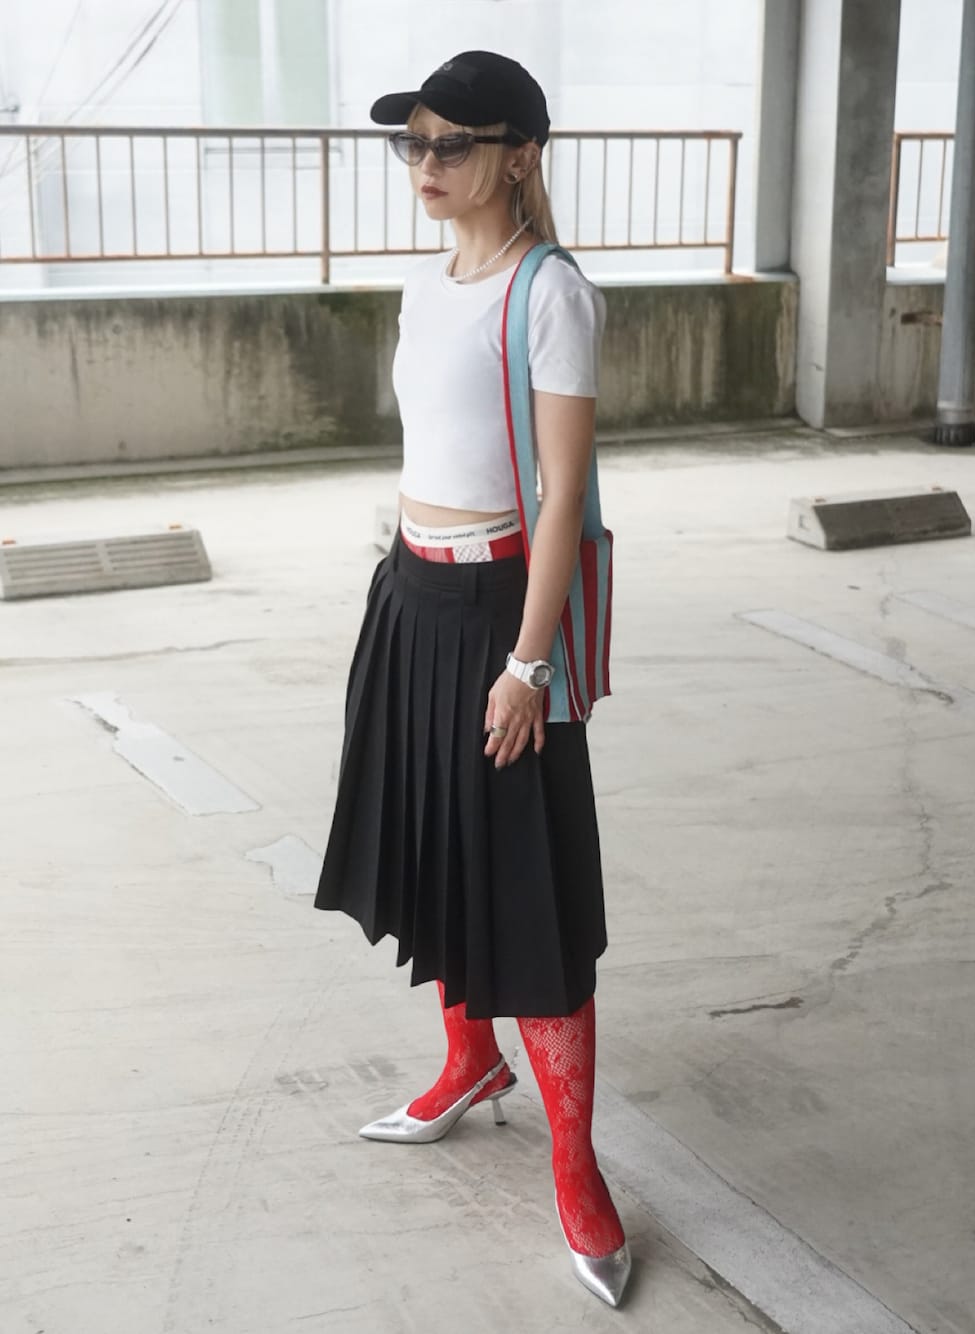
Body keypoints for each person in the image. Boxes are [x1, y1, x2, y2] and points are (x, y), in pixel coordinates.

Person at [314, 50, 631, 1308]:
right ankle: (469, 1061)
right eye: (414, 142)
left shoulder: (552, 294)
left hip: (503, 610)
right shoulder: (422, 282)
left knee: (528, 881)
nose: (426, 164)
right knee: (431, 844)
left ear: (519, 156)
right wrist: (402, 571)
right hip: (411, 593)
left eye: (452, 144)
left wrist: (526, 661)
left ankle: (573, 1160)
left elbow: (559, 497)